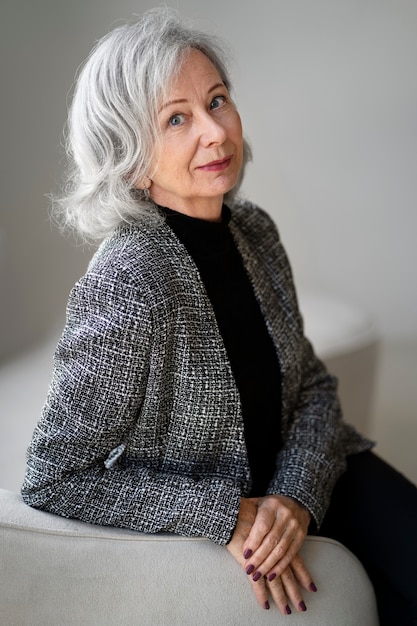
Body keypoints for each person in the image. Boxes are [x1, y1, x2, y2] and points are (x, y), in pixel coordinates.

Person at [21, 8, 417, 623]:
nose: (215, 131)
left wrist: (294, 496)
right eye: (176, 118)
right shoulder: (130, 277)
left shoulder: (255, 230)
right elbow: (55, 475)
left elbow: (311, 386)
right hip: (227, 516)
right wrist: (227, 515)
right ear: (129, 151)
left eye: (218, 100)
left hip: (308, 476)